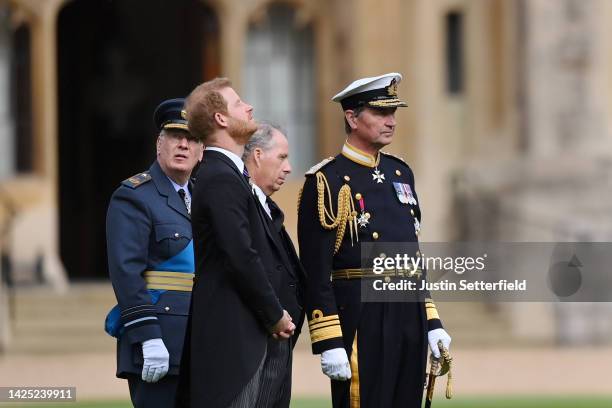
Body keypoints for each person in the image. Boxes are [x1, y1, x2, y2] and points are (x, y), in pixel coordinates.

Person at [297, 73, 452, 407]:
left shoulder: (401, 173)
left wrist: (432, 321)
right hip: (361, 318)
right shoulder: (327, 181)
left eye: (393, 112)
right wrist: (329, 340)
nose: (391, 121)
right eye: (381, 113)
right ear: (352, 117)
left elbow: (412, 260)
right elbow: (314, 271)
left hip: (407, 314)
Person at [176, 78, 296, 408]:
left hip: (249, 337)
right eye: (239, 103)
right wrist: (275, 314)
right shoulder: (219, 177)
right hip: (234, 344)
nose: (249, 107)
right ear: (221, 119)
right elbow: (241, 255)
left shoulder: (230, 176)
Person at [105, 98, 203, 407]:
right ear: (159, 144)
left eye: (192, 139)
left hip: (203, 342)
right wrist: (148, 335)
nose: (183, 145)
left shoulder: (207, 196)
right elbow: (126, 272)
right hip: (160, 339)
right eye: (176, 137)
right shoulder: (134, 196)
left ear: (202, 151)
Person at [241, 123, 307, 404]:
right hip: (253, 342)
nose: (289, 167)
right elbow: (244, 265)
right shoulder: (241, 201)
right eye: (281, 157)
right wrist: (274, 315)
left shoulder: (266, 205)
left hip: (277, 340)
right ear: (257, 155)